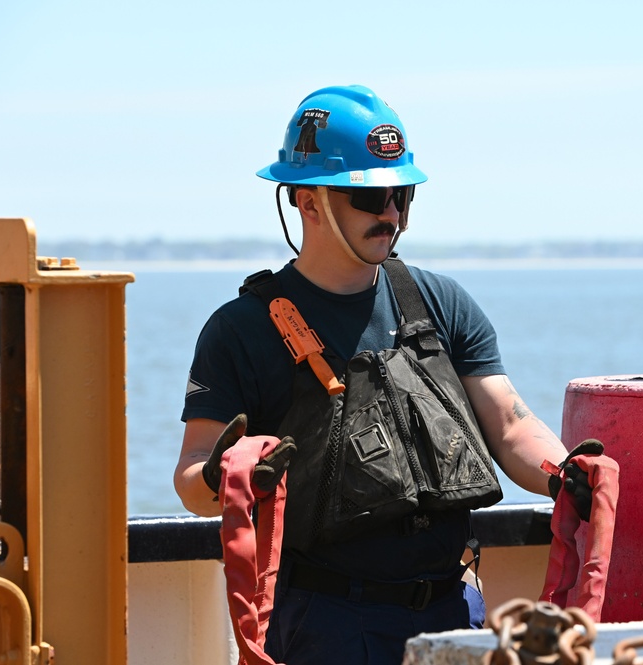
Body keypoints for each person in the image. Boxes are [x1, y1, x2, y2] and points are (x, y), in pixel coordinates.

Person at [173, 84, 578, 665]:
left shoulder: (439, 302)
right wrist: (228, 473)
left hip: (451, 610)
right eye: (370, 197)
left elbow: (510, 426)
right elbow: (192, 479)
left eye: (401, 195)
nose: (390, 213)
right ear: (306, 201)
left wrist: (565, 475)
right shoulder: (242, 330)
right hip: (325, 622)